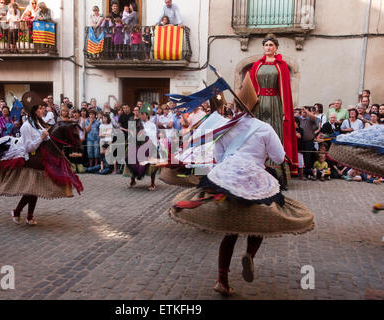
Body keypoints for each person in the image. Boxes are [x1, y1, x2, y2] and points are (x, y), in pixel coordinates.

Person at [169, 108, 314, 296]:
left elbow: (219, 157)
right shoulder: (264, 127)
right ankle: (250, 254)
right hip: (255, 178)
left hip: (227, 176)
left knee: (231, 231)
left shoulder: (225, 127)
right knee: (261, 217)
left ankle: (222, 279)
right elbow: (279, 157)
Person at [0, 92, 83, 225]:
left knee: (34, 189)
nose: (43, 110)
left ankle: (26, 215)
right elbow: (28, 147)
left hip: (39, 157)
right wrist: (41, 138)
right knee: (32, 190)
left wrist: (48, 137)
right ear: (35, 111)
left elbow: (45, 140)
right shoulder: (26, 126)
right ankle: (20, 212)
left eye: (43, 108)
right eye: (41, 108)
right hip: (28, 158)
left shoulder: (39, 123)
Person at [249, 34, 299, 177]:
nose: (268, 47)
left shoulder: (281, 65)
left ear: (276, 48)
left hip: (275, 102)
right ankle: (258, 164)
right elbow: (251, 85)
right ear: (263, 48)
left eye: (271, 45)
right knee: (258, 133)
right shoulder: (257, 65)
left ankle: (275, 168)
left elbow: (285, 90)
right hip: (259, 103)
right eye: (266, 45)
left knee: (275, 133)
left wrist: (285, 110)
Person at [123, 105, 158, 190]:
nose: (141, 115)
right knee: (130, 155)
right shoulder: (137, 122)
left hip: (149, 145)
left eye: (142, 114)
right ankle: (132, 180)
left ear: (146, 115)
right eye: (140, 114)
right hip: (137, 144)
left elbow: (153, 136)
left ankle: (152, 183)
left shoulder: (151, 124)